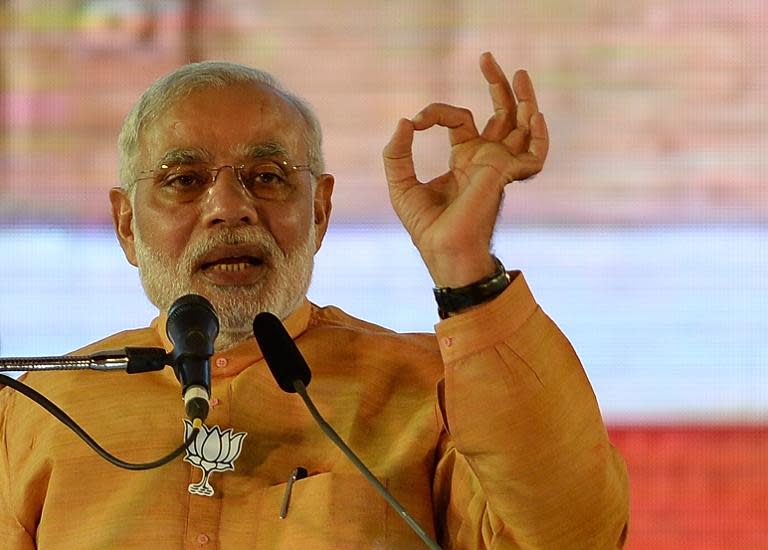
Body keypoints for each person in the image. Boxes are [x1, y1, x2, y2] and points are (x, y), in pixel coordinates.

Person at [0, 52, 629, 548]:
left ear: (320, 211)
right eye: (184, 180)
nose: (229, 208)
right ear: (125, 225)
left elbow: (571, 537)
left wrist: (463, 266)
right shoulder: (40, 410)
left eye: (268, 177)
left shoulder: (427, 389)